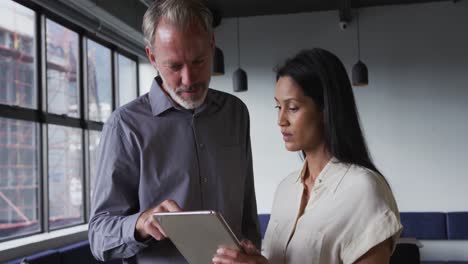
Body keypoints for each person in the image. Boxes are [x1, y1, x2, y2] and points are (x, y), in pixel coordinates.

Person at [88, 0, 261, 263]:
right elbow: (99, 237)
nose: (189, 79)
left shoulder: (235, 113)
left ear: (212, 46)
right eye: (175, 66)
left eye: (199, 61)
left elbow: (247, 214)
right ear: (153, 58)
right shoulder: (125, 126)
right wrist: (140, 224)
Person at [213, 48, 402, 264]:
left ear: (325, 108)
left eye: (292, 108)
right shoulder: (285, 190)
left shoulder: (363, 189)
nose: (281, 120)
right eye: (278, 106)